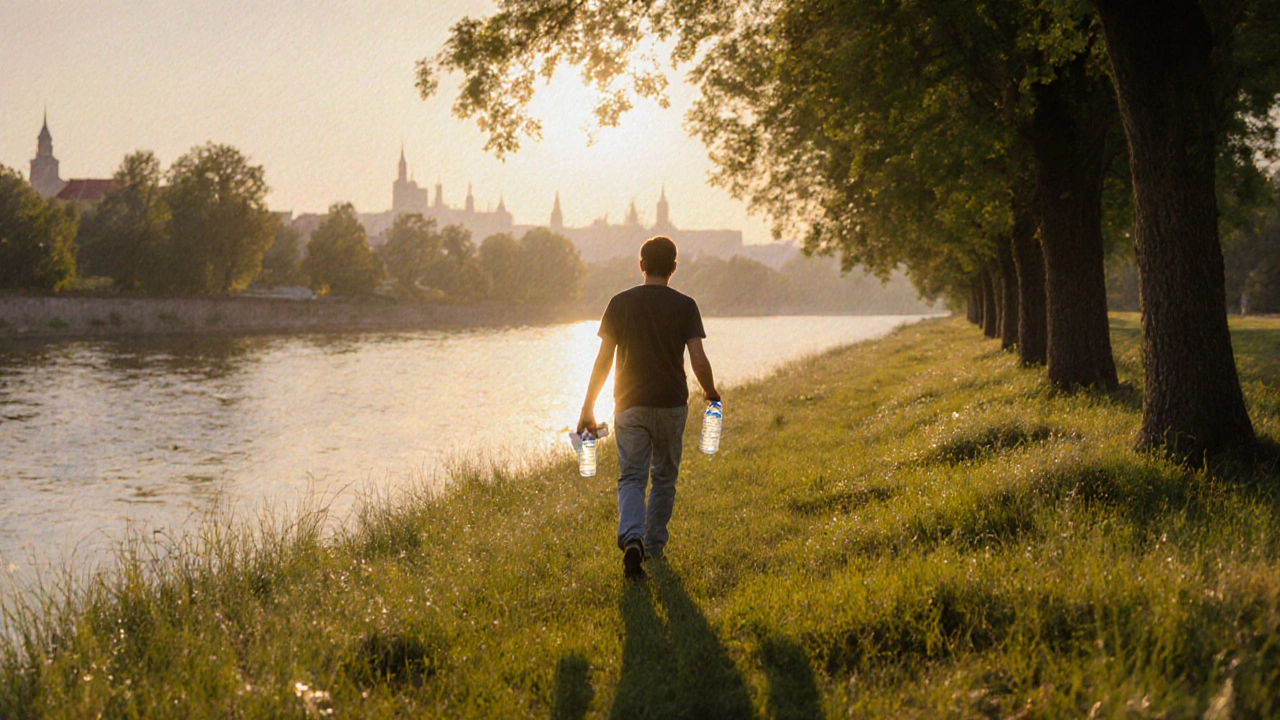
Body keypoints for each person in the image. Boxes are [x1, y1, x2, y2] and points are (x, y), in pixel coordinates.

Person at [578, 235, 721, 580]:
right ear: (674, 267)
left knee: (631, 477)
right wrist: (710, 391)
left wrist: (588, 407)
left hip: (630, 405)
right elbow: (698, 358)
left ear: (641, 265)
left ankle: (632, 538)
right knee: (664, 477)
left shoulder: (619, 303)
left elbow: (603, 361)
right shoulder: (685, 305)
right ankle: (654, 547)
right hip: (672, 404)